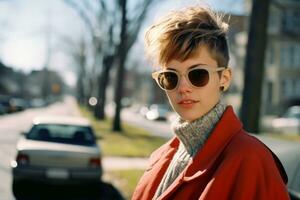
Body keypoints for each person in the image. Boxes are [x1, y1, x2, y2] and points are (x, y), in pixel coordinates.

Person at [132, 6, 290, 200]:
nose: (183, 87)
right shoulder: (159, 157)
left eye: (197, 74)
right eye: (170, 77)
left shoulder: (251, 160)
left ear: (224, 78)